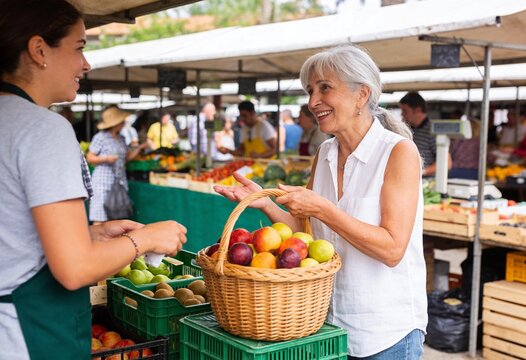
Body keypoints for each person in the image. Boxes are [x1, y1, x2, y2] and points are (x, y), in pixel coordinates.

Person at [214, 45, 427, 359]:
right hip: (329, 326)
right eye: (310, 90)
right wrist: (266, 204)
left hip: (385, 334)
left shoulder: (397, 152)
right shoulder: (325, 152)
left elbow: (392, 249)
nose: (313, 102)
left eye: (325, 88)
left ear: (361, 95)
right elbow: (308, 233)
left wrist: (324, 208)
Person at [0, 1, 187, 358]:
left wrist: (88, 235)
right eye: (80, 48)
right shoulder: (43, 129)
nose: (86, 64)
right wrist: (146, 238)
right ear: (39, 50)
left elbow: (11, 235)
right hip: (27, 334)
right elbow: (75, 269)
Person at [86, 106, 149, 224]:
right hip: (102, 182)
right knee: (100, 217)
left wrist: (140, 147)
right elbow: (90, 157)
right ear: (116, 123)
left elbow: (126, 158)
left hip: (119, 181)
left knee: (116, 218)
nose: (124, 122)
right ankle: (97, 242)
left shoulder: (121, 138)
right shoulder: (100, 137)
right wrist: (106, 159)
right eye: (122, 120)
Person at [399, 91, 451, 177]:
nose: (402, 114)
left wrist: (421, 172)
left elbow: (447, 163)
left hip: (427, 183)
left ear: (418, 110)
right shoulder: (407, 129)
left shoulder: (434, 131)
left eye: (405, 111)